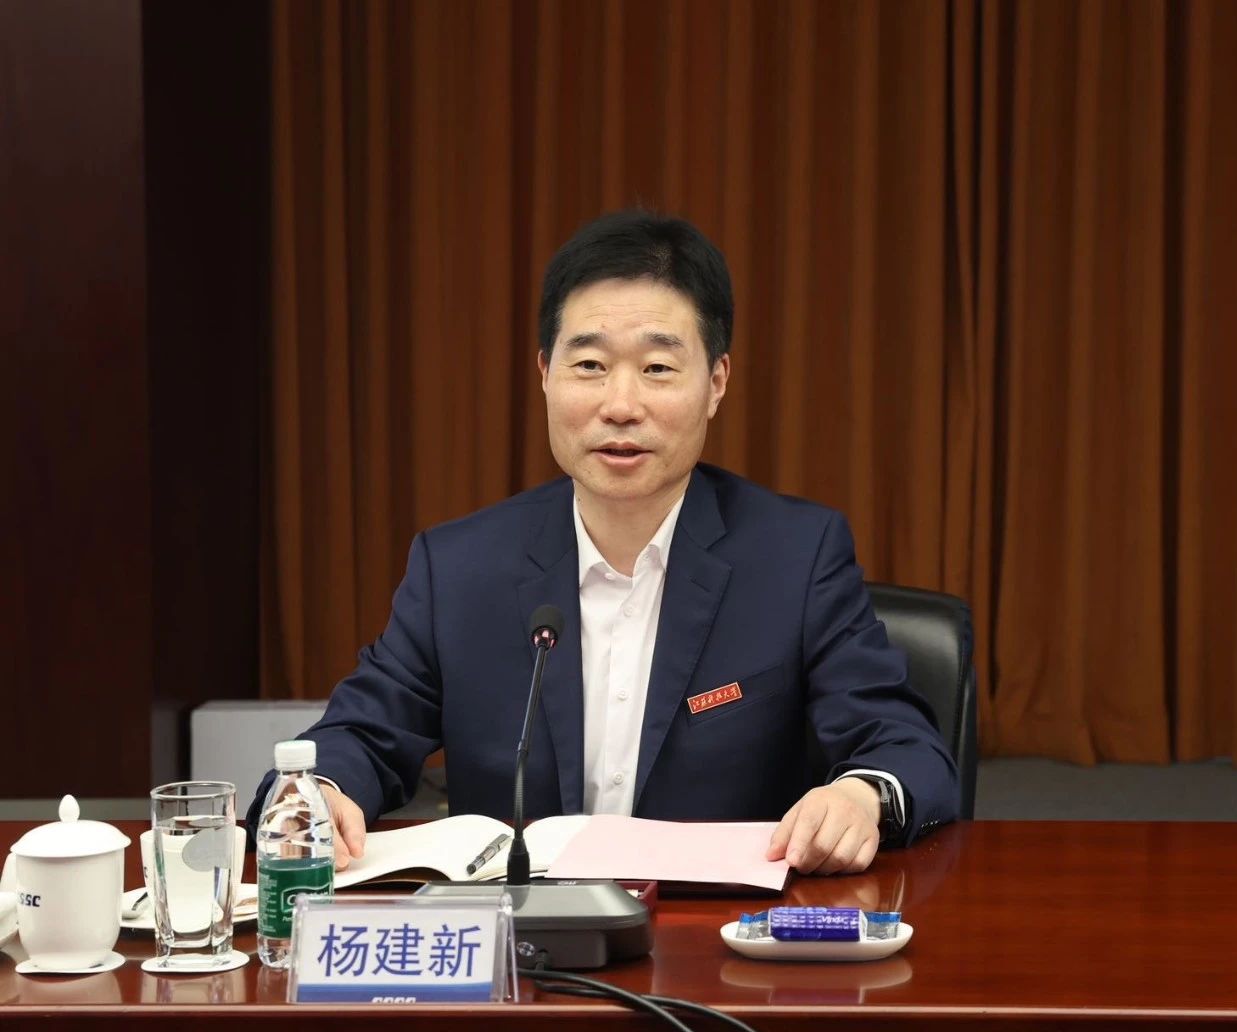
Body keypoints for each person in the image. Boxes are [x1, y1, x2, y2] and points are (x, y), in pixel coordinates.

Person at [247, 210, 959, 874]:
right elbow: (359, 735)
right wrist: (319, 793)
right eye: (589, 365)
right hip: (519, 944)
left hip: (719, 938)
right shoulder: (459, 568)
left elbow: (905, 747)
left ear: (716, 382)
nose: (620, 405)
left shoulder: (794, 558)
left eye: (658, 369)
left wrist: (860, 795)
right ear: (545, 375)